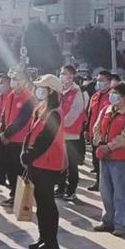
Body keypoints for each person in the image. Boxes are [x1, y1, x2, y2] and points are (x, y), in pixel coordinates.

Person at [21, 74, 65, 249]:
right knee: (41, 203)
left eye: (42, 87)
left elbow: (45, 139)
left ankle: (51, 240)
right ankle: (43, 237)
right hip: (38, 163)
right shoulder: (41, 108)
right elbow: (32, 133)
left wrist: (28, 155)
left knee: (47, 204)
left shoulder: (55, 113)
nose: (38, 90)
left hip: (48, 165)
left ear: (51, 91)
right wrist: (27, 155)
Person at [93, 83, 125, 236]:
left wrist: (109, 147)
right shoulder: (106, 110)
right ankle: (108, 220)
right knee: (105, 191)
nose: (111, 96)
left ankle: (121, 224)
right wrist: (100, 143)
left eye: (114, 93)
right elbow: (97, 128)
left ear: (123, 97)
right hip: (104, 156)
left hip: (121, 158)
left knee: (120, 193)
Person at [0, 71, 35, 207]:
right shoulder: (11, 95)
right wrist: (2, 131)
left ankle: (18, 197)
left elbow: (22, 121)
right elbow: (4, 114)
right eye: (13, 79)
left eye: (17, 79)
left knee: (18, 170)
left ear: (24, 81)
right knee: (10, 169)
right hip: (8, 138)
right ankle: (13, 194)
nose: (14, 82)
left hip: (20, 140)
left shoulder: (29, 98)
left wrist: (6, 134)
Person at [56, 65, 86, 201]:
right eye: (61, 73)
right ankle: (60, 187)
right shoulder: (60, 89)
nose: (62, 76)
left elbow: (75, 112)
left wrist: (60, 123)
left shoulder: (76, 92)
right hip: (59, 133)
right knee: (60, 163)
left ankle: (71, 191)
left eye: (65, 73)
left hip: (71, 134)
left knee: (72, 165)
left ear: (72, 76)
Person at [87, 70, 112, 190]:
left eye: (102, 80)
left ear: (109, 82)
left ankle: (105, 184)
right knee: (96, 159)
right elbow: (90, 113)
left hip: (105, 134)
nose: (99, 83)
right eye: (97, 80)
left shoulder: (112, 96)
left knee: (105, 160)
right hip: (94, 132)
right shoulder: (95, 96)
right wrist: (87, 129)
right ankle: (98, 182)